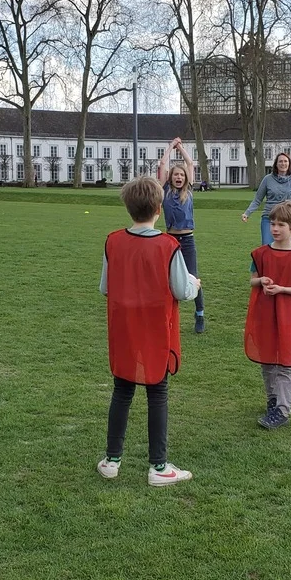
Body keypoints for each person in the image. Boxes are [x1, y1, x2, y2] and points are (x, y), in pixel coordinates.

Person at [97, 175, 200, 487]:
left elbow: (105, 287)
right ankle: (158, 466)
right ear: (159, 208)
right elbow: (182, 291)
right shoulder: (168, 246)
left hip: (124, 331)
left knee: (122, 390)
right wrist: (194, 284)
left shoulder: (112, 241)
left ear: (129, 208)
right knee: (157, 392)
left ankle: (112, 460)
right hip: (156, 331)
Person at [245, 200, 291, 429]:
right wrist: (261, 281)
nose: (275, 228)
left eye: (281, 224)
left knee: (286, 362)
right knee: (267, 359)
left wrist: (283, 289)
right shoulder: (261, 254)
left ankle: (283, 410)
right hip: (265, 314)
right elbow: (252, 281)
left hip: (289, 317)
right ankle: (273, 400)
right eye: (273, 223)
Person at [156, 137, 206, 334]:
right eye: (175, 175)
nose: (178, 177)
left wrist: (181, 148)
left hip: (187, 240)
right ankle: (167, 315)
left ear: (185, 178)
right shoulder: (165, 190)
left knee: (193, 277)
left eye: (181, 175)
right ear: (170, 177)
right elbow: (162, 164)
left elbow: (190, 163)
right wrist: (170, 146)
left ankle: (200, 314)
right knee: (167, 279)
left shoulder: (189, 190)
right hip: (170, 240)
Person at [242, 152, 291, 245]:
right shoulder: (267, 179)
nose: (283, 164)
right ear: (276, 164)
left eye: (285, 161)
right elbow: (257, 199)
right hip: (269, 217)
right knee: (267, 246)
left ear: (289, 164)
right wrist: (247, 213)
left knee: (286, 248)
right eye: (280, 161)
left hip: (287, 218)